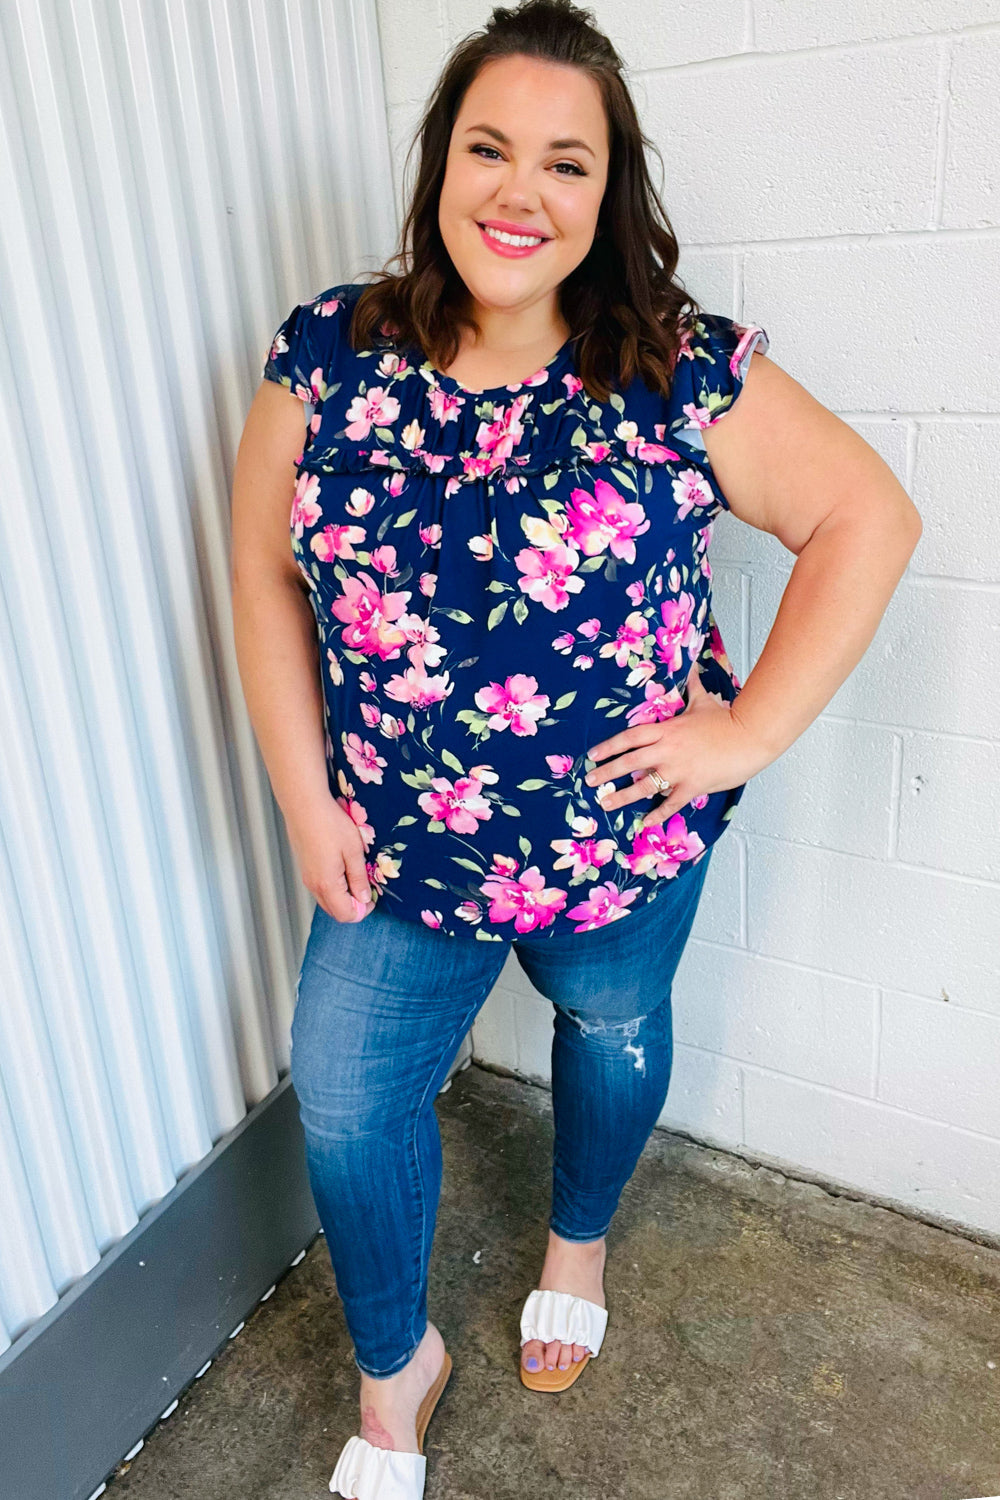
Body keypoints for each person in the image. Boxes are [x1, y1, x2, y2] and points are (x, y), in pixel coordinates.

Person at [230, 1, 922, 1494]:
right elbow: (263, 578)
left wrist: (745, 729)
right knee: (347, 1102)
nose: (519, 192)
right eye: (488, 148)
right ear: (439, 168)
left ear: (607, 196)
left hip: (616, 847)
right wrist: (302, 795)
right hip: (397, 849)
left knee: (607, 1037)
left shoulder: (674, 365)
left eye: (566, 161)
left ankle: (578, 1243)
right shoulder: (325, 355)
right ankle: (393, 1366)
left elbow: (868, 517)